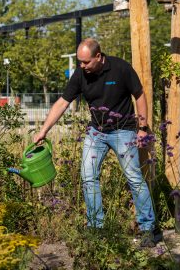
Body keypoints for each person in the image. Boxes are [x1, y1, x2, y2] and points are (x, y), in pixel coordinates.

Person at [33, 38, 161, 247]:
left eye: (85, 62)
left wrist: (142, 128)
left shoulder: (120, 68)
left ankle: (149, 229)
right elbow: (63, 102)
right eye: (79, 62)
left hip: (123, 130)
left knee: (134, 178)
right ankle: (96, 227)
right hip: (96, 132)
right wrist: (43, 130)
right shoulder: (80, 74)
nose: (81, 66)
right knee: (88, 176)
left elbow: (139, 95)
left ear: (98, 57)